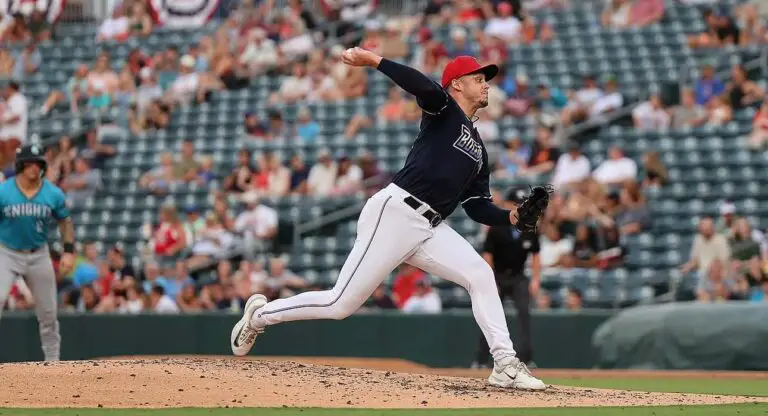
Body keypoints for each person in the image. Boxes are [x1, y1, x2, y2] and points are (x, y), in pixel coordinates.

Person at [229, 49, 549, 391]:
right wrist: (375, 60)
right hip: (396, 212)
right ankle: (260, 316)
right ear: (456, 84)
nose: (485, 85)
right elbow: (423, 87)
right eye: (478, 78)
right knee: (340, 304)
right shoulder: (444, 111)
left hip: (429, 227)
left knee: (481, 275)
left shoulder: (479, 150)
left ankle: (504, 364)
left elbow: (476, 206)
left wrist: (511, 216)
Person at [0, 145, 76, 361]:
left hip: (38, 254)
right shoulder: (4, 191)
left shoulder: (52, 193)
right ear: (20, 165)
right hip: (7, 253)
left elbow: (65, 222)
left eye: (38, 164)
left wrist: (68, 251)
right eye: (29, 163)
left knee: (49, 312)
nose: (34, 168)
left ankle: (53, 363)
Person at [472, 187, 541, 369]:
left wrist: (535, 279)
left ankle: (526, 359)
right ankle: (481, 359)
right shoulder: (497, 227)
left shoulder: (529, 227)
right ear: (508, 205)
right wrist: (490, 277)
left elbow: (535, 255)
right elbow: (488, 254)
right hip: (499, 276)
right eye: (515, 204)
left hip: (518, 276)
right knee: (490, 315)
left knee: (524, 314)